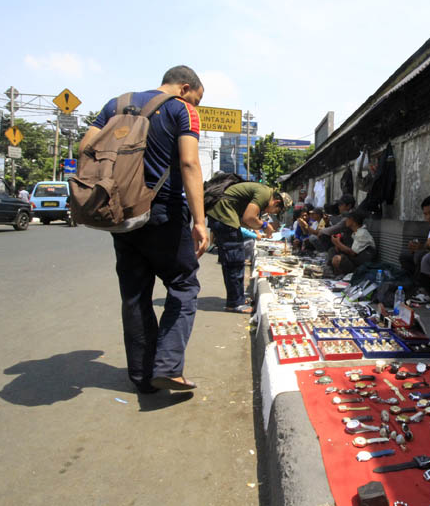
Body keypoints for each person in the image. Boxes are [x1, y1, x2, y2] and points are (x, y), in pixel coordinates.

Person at [84, 65, 208, 393]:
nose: (194, 106)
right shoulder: (181, 110)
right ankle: (167, 367)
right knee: (183, 285)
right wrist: (200, 221)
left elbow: (86, 149)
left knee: (136, 294)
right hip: (163, 211)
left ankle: (141, 377)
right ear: (185, 88)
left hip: (121, 213)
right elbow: (189, 163)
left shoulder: (115, 104)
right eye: (195, 99)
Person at [206, 182, 291, 312]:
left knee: (233, 261)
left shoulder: (264, 193)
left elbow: (245, 222)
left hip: (222, 216)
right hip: (223, 217)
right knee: (234, 261)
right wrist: (264, 226)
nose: (272, 213)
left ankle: (237, 297)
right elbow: (249, 217)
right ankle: (235, 303)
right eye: (276, 211)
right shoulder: (264, 193)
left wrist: (261, 227)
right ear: (276, 202)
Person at [330, 209, 376, 275]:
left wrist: (337, 243)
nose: (346, 220)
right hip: (356, 260)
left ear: (353, 221)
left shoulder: (362, 233)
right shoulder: (355, 233)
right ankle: (333, 271)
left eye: (348, 218)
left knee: (338, 259)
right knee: (333, 251)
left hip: (362, 265)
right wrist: (337, 245)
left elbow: (352, 253)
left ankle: (338, 273)